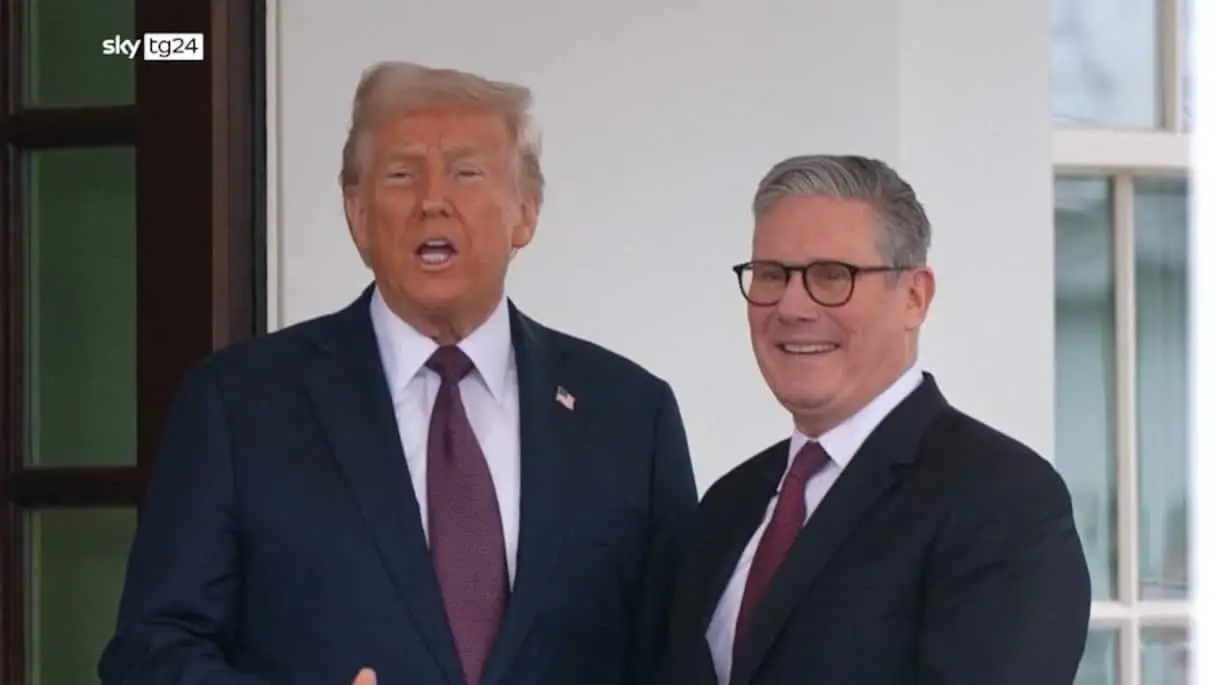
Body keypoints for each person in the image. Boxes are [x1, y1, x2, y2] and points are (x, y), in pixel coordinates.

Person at [98, 61, 698, 685]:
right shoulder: (239, 405)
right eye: (402, 174)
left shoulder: (631, 417)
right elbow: (152, 651)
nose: (433, 201)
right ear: (358, 215)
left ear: (526, 212)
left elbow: (679, 660)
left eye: (466, 172)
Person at [658, 155, 1091, 685]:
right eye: (771, 275)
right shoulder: (728, 507)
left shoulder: (1001, 500)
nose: (791, 307)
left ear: (914, 297)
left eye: (831, 276)